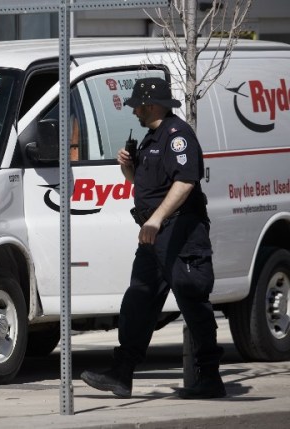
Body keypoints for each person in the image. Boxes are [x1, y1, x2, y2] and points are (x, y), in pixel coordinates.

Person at [80, 77, 226, 400]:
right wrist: (128, 169)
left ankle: (210, 378)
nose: (134, 112)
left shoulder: (177, 136)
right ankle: (122, 374)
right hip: (153, 236)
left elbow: (186, 181)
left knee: (193, 300)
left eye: (137, 106)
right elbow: (146, 186)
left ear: (150, 104)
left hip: (180, 232)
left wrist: (157, 219)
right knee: (138, 300)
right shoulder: (150, 139)